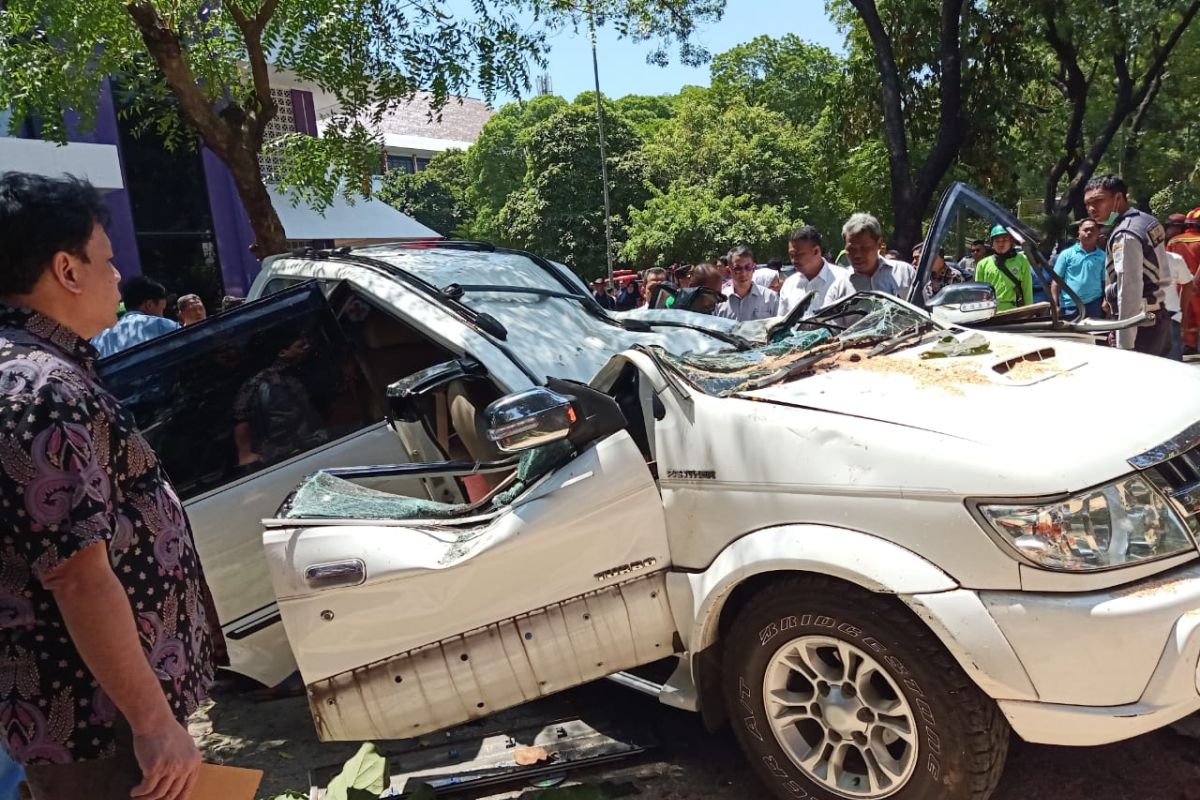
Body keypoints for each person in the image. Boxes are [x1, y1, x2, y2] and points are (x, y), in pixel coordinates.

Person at [0, 172, 221, 799]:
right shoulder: (44, 390)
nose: (119, 277)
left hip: (90, 718)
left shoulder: (34, 369)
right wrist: (153, 723)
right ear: (67, 269)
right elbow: (77, 573)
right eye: (109, 260)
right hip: (100, 728)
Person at [1084, 173, 1172, 355]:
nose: (1092, 208)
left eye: (1098, 201)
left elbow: (1129, 290)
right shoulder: (1147, 221)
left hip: (1138, 325)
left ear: (1118, 198)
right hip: (1157, 317)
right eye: (1088, 204)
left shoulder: (1126, 234)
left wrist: (1124, 342)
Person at [91, 275, 180, 357]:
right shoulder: (163, 325)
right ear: (149, 305)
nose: (162, 316)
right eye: (162, 309)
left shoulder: (98, 339)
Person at [778, 226, 856, 317]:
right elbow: (781, 324)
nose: (794, 260)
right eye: (791, 255)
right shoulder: (789, 285)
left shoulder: (845, 280)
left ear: (816, 251)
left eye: (798, 255)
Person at [842, 213, 916, 298]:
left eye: (864, 248)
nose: (857, 255)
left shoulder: (904, 273)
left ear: (879, 244)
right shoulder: (840, 285)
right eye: (852, 249)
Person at [1051, 219, 1106, 318]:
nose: (1089, 232)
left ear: (1098, 234)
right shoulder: (1066, 255)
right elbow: (1056, 282)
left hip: (1093, 305)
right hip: (1069, 307)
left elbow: (1105, 282)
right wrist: (1055, 305)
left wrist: (1106, 300)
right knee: (1070, 334)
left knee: (1094, 333)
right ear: (1079, 233)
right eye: (1086, 230)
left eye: (1092, 230)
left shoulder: (1103, 256)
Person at [973, 225, 1034, 312]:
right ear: (992, 243)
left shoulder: (1022, 260)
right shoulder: (983, 264)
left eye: (1005, 240)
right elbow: (978, 294)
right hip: (990, 312)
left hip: (1014, 311)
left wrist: (1029, 311)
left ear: (1011, 241)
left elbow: (1027, 289)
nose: (1001, 244)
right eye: (997, 241)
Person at [1167, 210, 1200, 355]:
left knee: (1186, 316)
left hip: (1180, 287)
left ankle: (1189, 345)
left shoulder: (1173, 242)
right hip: (1197, 286)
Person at [716, 246, 778, 322]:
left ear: (754, 268)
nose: (743, 273)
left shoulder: (771, 298)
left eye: (748, 267)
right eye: (738, 268)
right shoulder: (718, 300)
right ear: (729, 271)